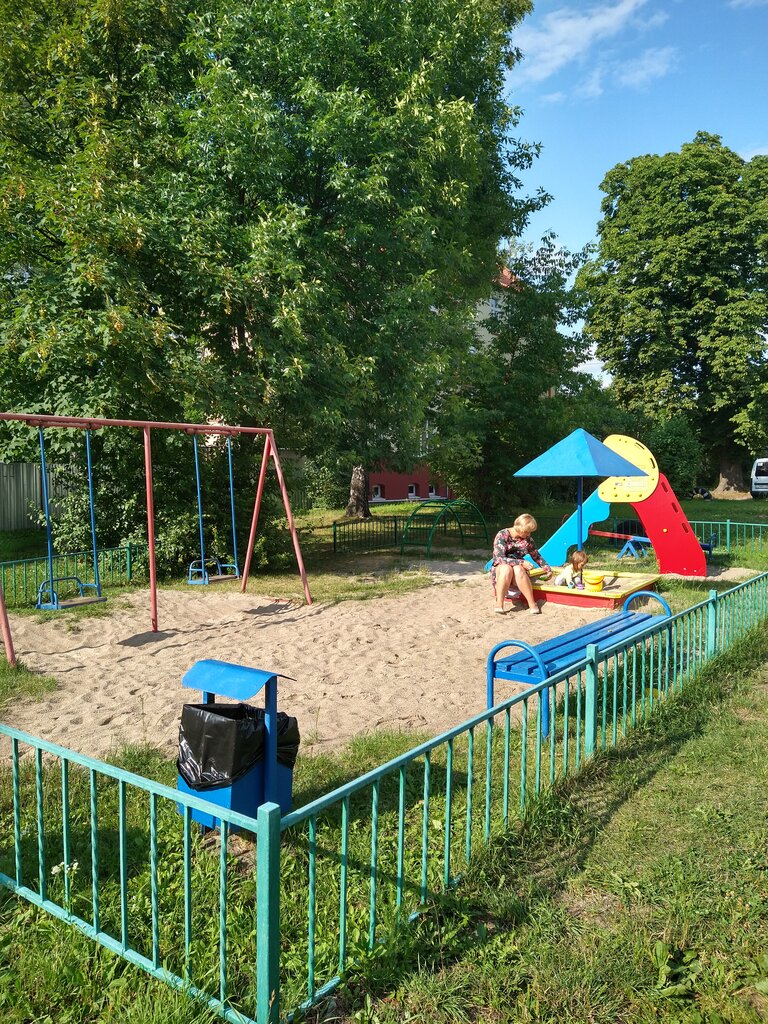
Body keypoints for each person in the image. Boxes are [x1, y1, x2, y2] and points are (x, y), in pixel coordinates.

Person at [491, 513, 552, 615]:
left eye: (530, 532)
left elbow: (536, 555)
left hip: (518, 572)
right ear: (519, 528)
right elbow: (499, 558)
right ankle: (499, 603)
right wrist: (521, 562)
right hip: (502, 570)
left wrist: (547, 569)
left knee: (518, 569)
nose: (528, 534)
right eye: (527, 531)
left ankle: (532, 603)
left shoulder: (528, 539)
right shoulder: (502, 535)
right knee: (506, 568)